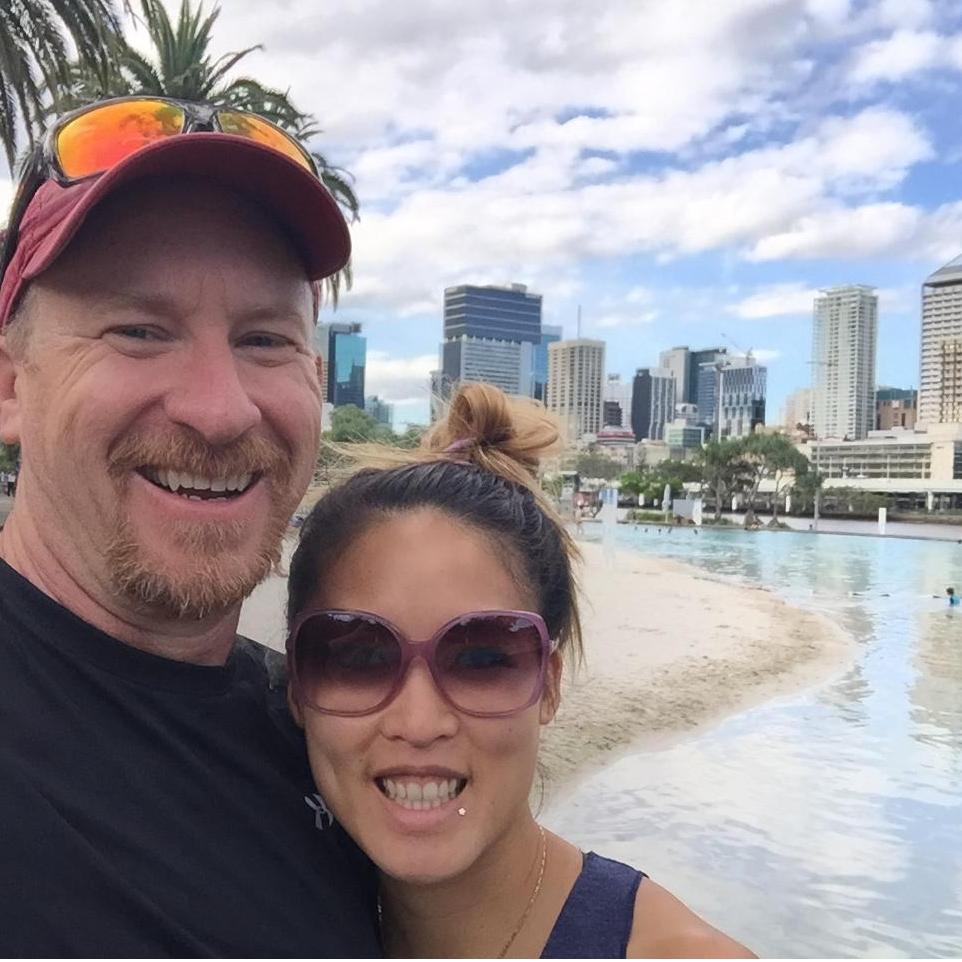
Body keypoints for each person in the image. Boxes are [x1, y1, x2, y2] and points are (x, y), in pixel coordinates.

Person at [0, 97, 379, 955]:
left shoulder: (339, 728)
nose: (219, 410)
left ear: (317, 379)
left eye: (265, 341)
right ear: (12, 384)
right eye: (139, 330)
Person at [285, 383, 754, 959]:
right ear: (296, 687)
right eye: (360, 657)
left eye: (481, 660)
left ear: (549, 685)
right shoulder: (270, 916)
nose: (419, 720)